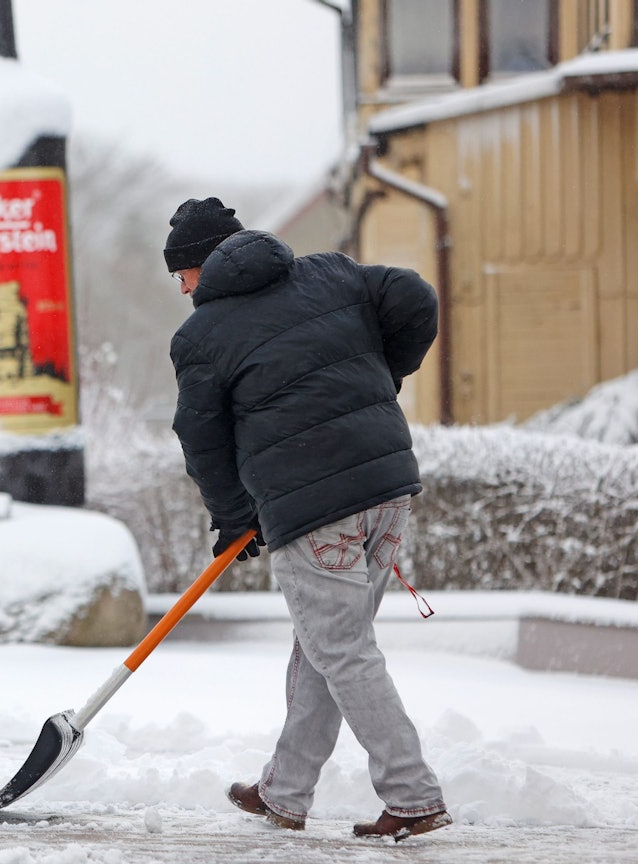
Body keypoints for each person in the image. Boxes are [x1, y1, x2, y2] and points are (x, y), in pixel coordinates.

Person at [163, 197, 452, 840]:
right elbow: (415, 296)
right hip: (387, 489)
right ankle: (285, 791)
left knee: (342, 650)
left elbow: (202, 439)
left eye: (179, 273)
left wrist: (232, 515)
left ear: (201, 269)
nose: (180, 288)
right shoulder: (330, 274)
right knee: (328, 647)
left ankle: (412, 794)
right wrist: (379, 379)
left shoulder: (202, 336)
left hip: (311, 505)